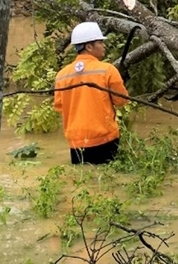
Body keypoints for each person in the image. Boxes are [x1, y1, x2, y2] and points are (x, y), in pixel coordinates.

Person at [53, 21, 129, 165]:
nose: (104, 45)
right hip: (105, 140)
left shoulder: (62, 75)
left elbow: (59, 107)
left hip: (76, 142)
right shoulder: (107, 70)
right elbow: (122, 101)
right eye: (100, 42)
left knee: (83, 182)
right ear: (89, 46)